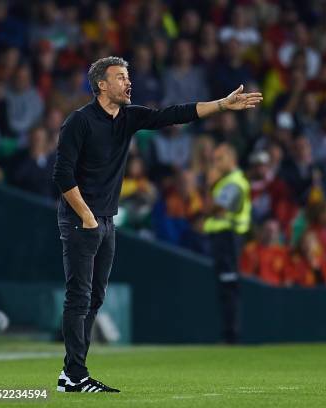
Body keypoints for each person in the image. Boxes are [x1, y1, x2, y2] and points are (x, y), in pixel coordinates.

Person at [52, 56, 261, 393]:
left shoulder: (128, 116)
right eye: (120, 77)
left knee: (95, 297)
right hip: (81, 219)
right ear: (101, 85)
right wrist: (87, 215)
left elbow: (174, 114)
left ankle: (72, 373)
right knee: (79, 296)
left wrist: (222, 105)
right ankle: (74, 375)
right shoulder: (79, 122)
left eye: (128, 76)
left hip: (106, 218)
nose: (128, 82)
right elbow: (62, 174)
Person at [203, 143, 252, 343]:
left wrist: (210, 185)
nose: (215, 163)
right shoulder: (227, 181)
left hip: (229, 238)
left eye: (219, 158)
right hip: (223, 239)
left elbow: (215, 209)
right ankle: (229, 334)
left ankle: (232, 336)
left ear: (232, 159)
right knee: (225, 287)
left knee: (228, 286)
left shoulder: (234, 183)